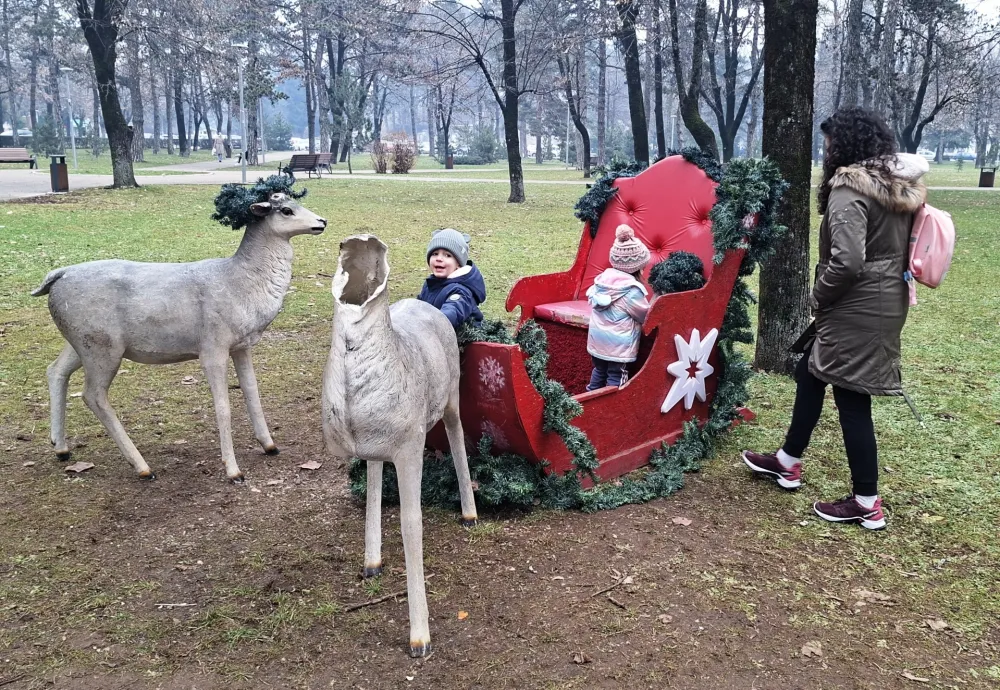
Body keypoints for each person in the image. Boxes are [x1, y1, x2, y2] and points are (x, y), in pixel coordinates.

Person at [741, 106, 929, 531]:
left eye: (828, 144)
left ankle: (866, 502)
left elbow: (847, 262)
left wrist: (817, 297)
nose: (825, 152)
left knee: (851, 397)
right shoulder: (896, 185)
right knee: (810, 372)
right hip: (881, 300)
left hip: (856, 305)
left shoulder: (850, 187)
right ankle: (787, 461)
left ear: (844, 145)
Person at [585, 224, 652, 391]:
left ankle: (590, 396)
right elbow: (646, 316)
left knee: (599, 370)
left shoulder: (601, 282)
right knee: (617, 376)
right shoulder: (631, 291)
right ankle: (612, 403)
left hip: (597, 341)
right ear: (638, 267)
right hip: (618, 348)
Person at [417, 228, 487, 329]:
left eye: (447, 255)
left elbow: (453, 312)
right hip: (434, 331)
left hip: (459, 335)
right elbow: (418, 305)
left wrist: (430, 322)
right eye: (435, 254)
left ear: (458, 263)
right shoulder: (430, 284)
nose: (439, 259)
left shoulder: (461, 291)